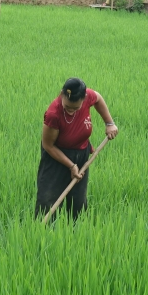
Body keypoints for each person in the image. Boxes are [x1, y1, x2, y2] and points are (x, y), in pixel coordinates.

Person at [35, 78, 118, 221]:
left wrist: (109, 123)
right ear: (62, 94)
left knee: (78, 203)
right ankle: (43, 236)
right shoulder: (53, 114)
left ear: (84, 99)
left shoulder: (88, 97)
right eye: (68, 107)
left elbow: (97, 98)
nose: (71, 111)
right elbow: (48, 145)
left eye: (75, 108)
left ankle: (76, 233)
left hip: (81, 154)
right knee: (48, 200)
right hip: (56, 157)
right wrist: (71, 165)